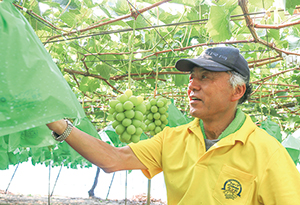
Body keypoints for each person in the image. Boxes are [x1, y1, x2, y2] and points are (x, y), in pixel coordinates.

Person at [47, 47, 300, 204]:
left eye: (205, 77)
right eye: (191, 78)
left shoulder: (268, 153)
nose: (192, 85)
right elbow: (112, 159)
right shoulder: (172, 139)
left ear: (237, 91)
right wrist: (59, 124)